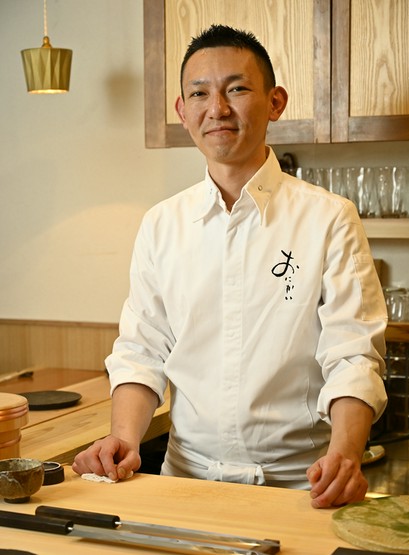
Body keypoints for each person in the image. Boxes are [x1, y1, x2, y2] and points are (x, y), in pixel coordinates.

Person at [73, 24, 388, 509]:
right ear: (182, 111)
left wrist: (345, 454)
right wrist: (123, 437)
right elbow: (142, 349)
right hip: (185, 482)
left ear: (275, 102)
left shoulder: (329, 218)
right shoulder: (162, 224)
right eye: (199, 93)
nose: (217, 108)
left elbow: (353, 355)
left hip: (302, 486)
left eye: (236, 89)